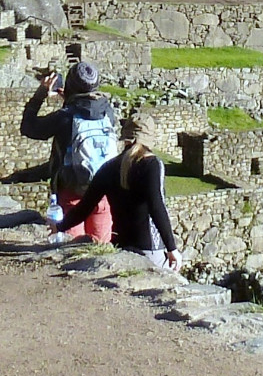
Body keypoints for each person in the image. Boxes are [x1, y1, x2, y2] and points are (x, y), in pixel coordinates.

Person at [49, 112, 182, 267]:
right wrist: (172, 248)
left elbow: (85, 206)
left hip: (121, 245)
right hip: (149, 248)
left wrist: (59, 226)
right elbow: (157, 206)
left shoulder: (109, 167)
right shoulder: (152, 164)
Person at [20, 61, 116, 244]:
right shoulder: (107, 112)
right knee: (100, 245)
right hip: (103, 190)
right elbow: (86, 110)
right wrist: (71, 100)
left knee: (70, 245)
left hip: (72, 192)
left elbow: (29, 128)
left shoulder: (65, 116)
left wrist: (40, 94)